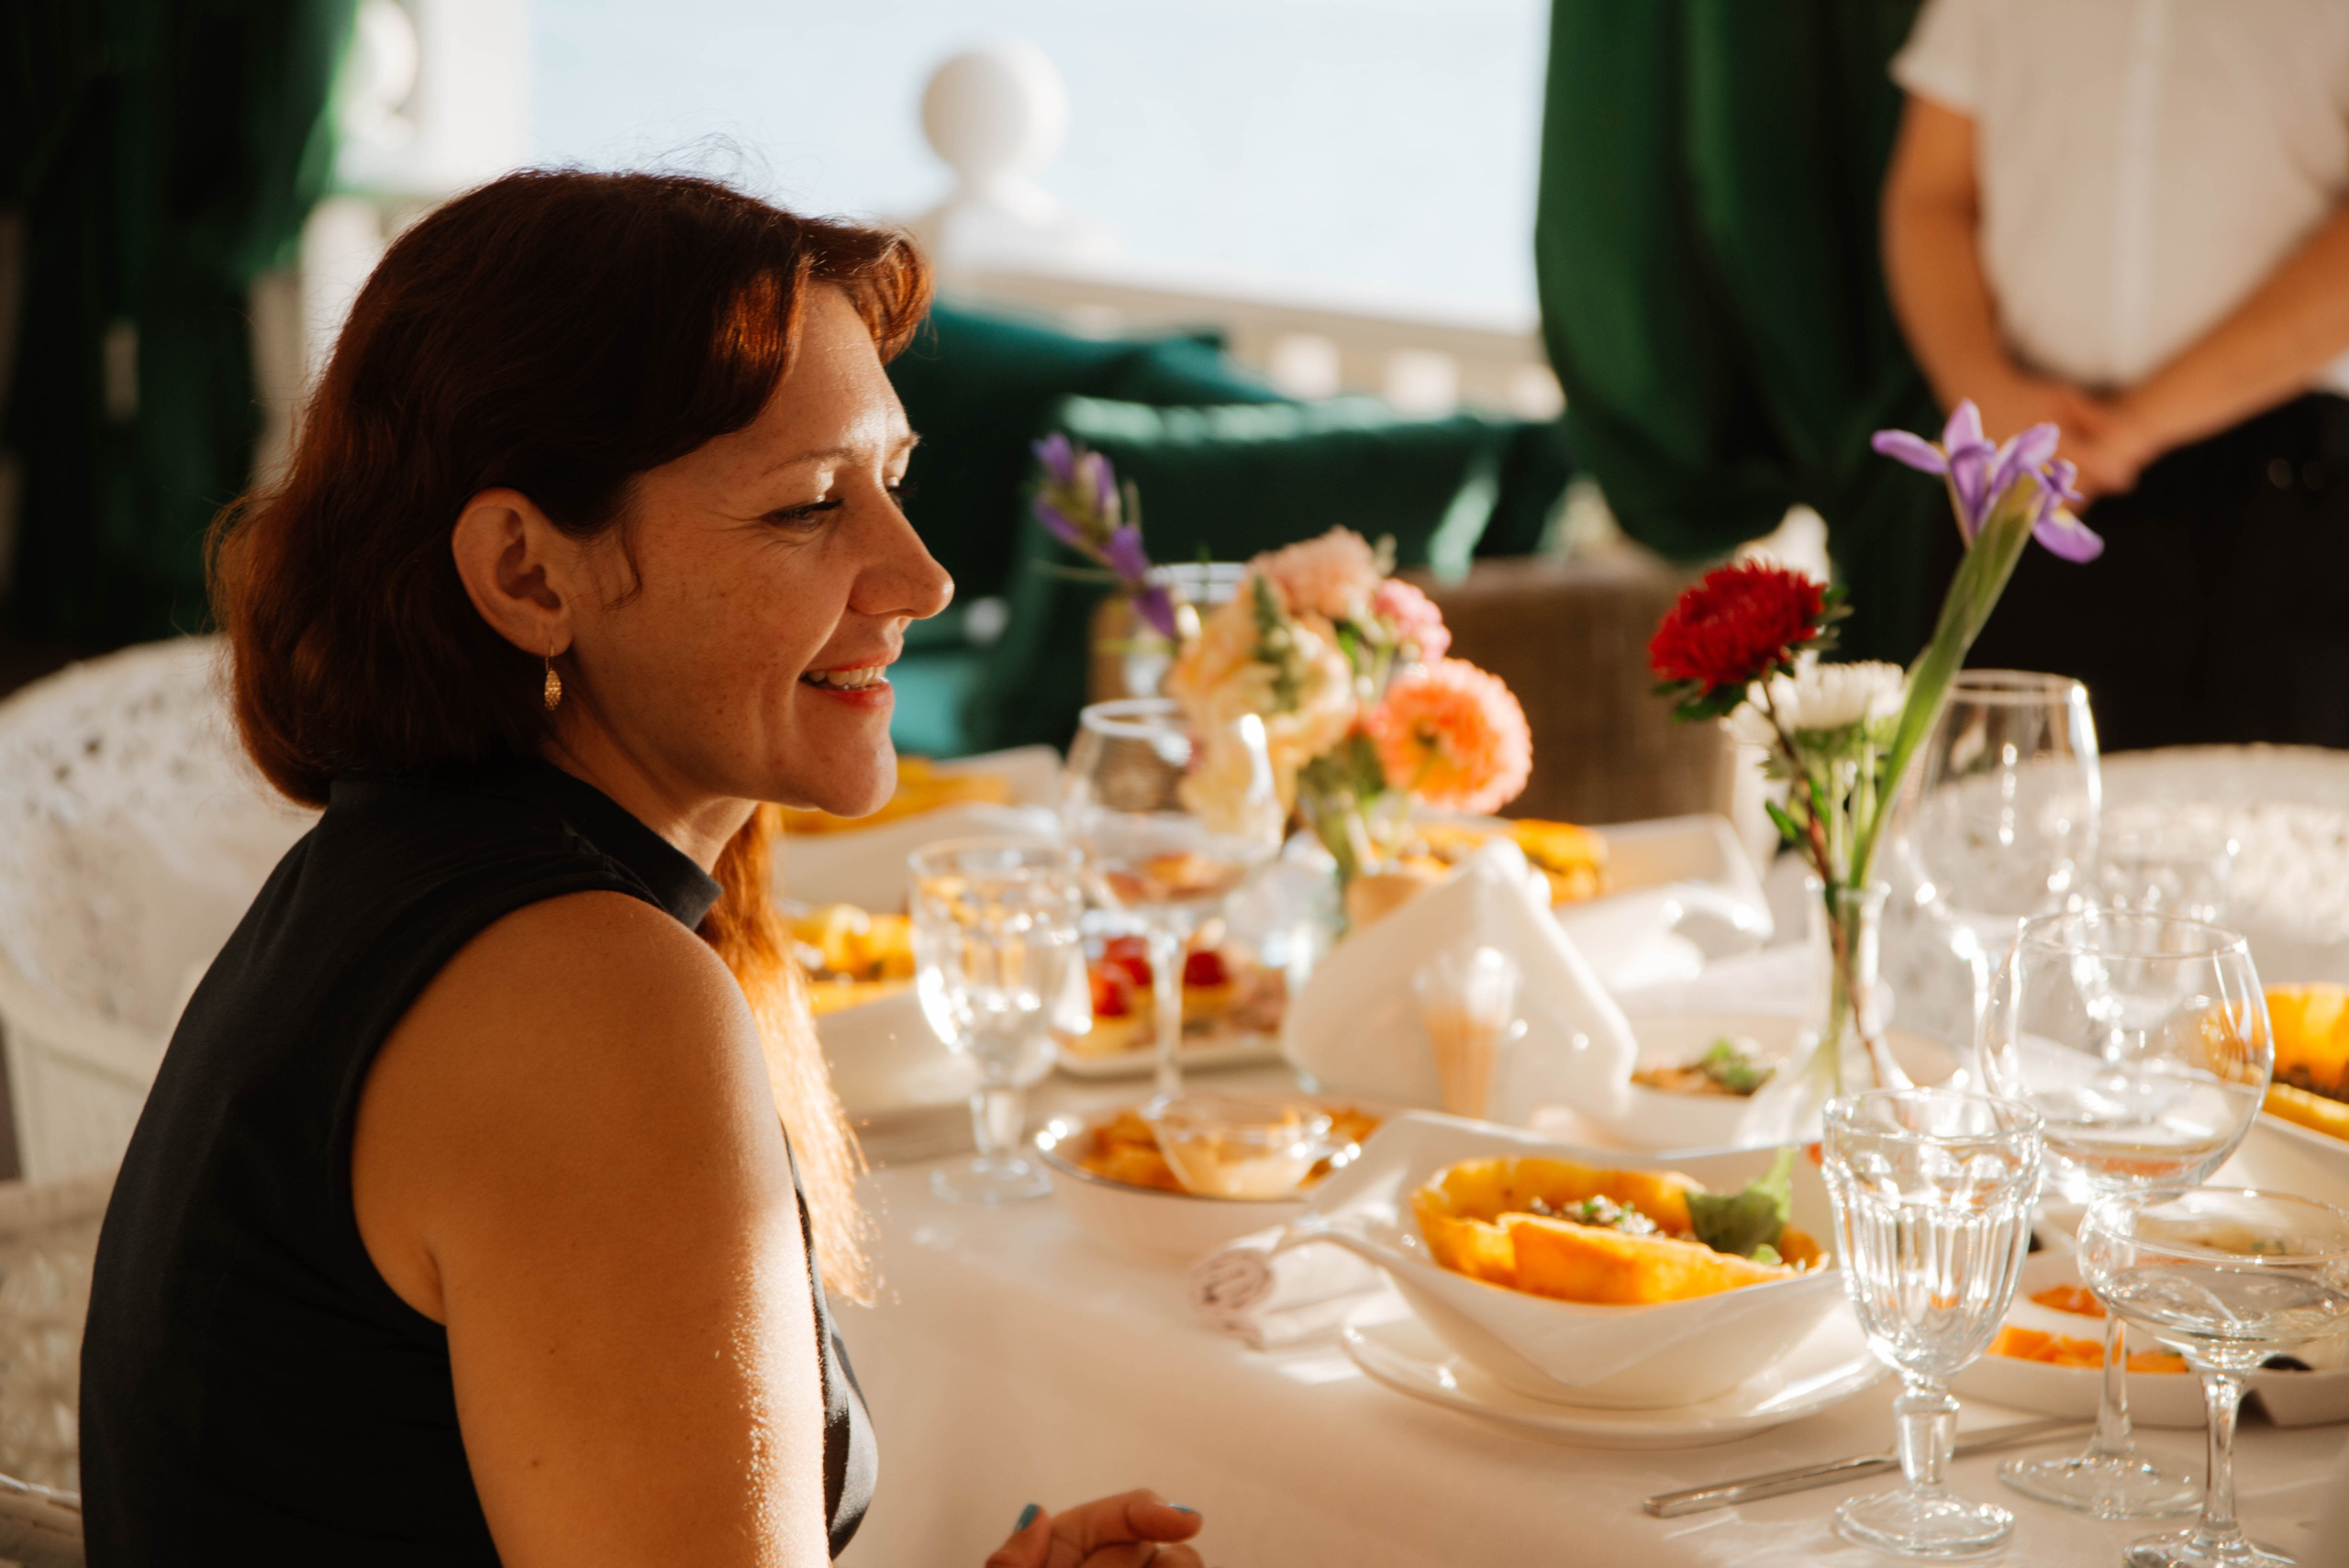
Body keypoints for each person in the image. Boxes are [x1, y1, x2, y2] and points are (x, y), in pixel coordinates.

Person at [76, 169, 1210, 1568]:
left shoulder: (413, 873)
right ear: (528, 574)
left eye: (895, 481)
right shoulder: (585, 1000)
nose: (922, 578)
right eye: (809, 506)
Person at [1880, 0, 2349, 750]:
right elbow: (1931, 198)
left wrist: (2132, 426)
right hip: (2023, 471)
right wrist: (1983, 387)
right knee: (1992, 804)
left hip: (2287, 491)